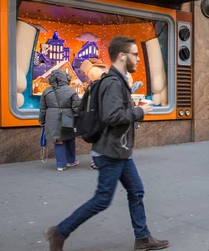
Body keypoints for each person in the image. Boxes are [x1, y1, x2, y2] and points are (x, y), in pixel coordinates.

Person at [44, 36, 169, 251]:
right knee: (102, 199)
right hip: (111, 150)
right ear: (122, 56)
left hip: (119, 149)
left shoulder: (116, 80)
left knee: (136, 191)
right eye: (134, 54)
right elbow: (112, 116)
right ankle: (59, 232)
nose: (138, 59)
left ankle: (142, 237)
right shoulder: (112, 82)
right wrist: (140, 111)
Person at [39, 70, 81, 171]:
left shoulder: (46, 91)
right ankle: (71, 161)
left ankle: (60, 165)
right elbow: (77, 108)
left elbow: (42, 109)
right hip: (67, 118)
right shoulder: (71, 90)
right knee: (70, 138)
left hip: (52, 119)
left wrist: (42, 121)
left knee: (58, 140)